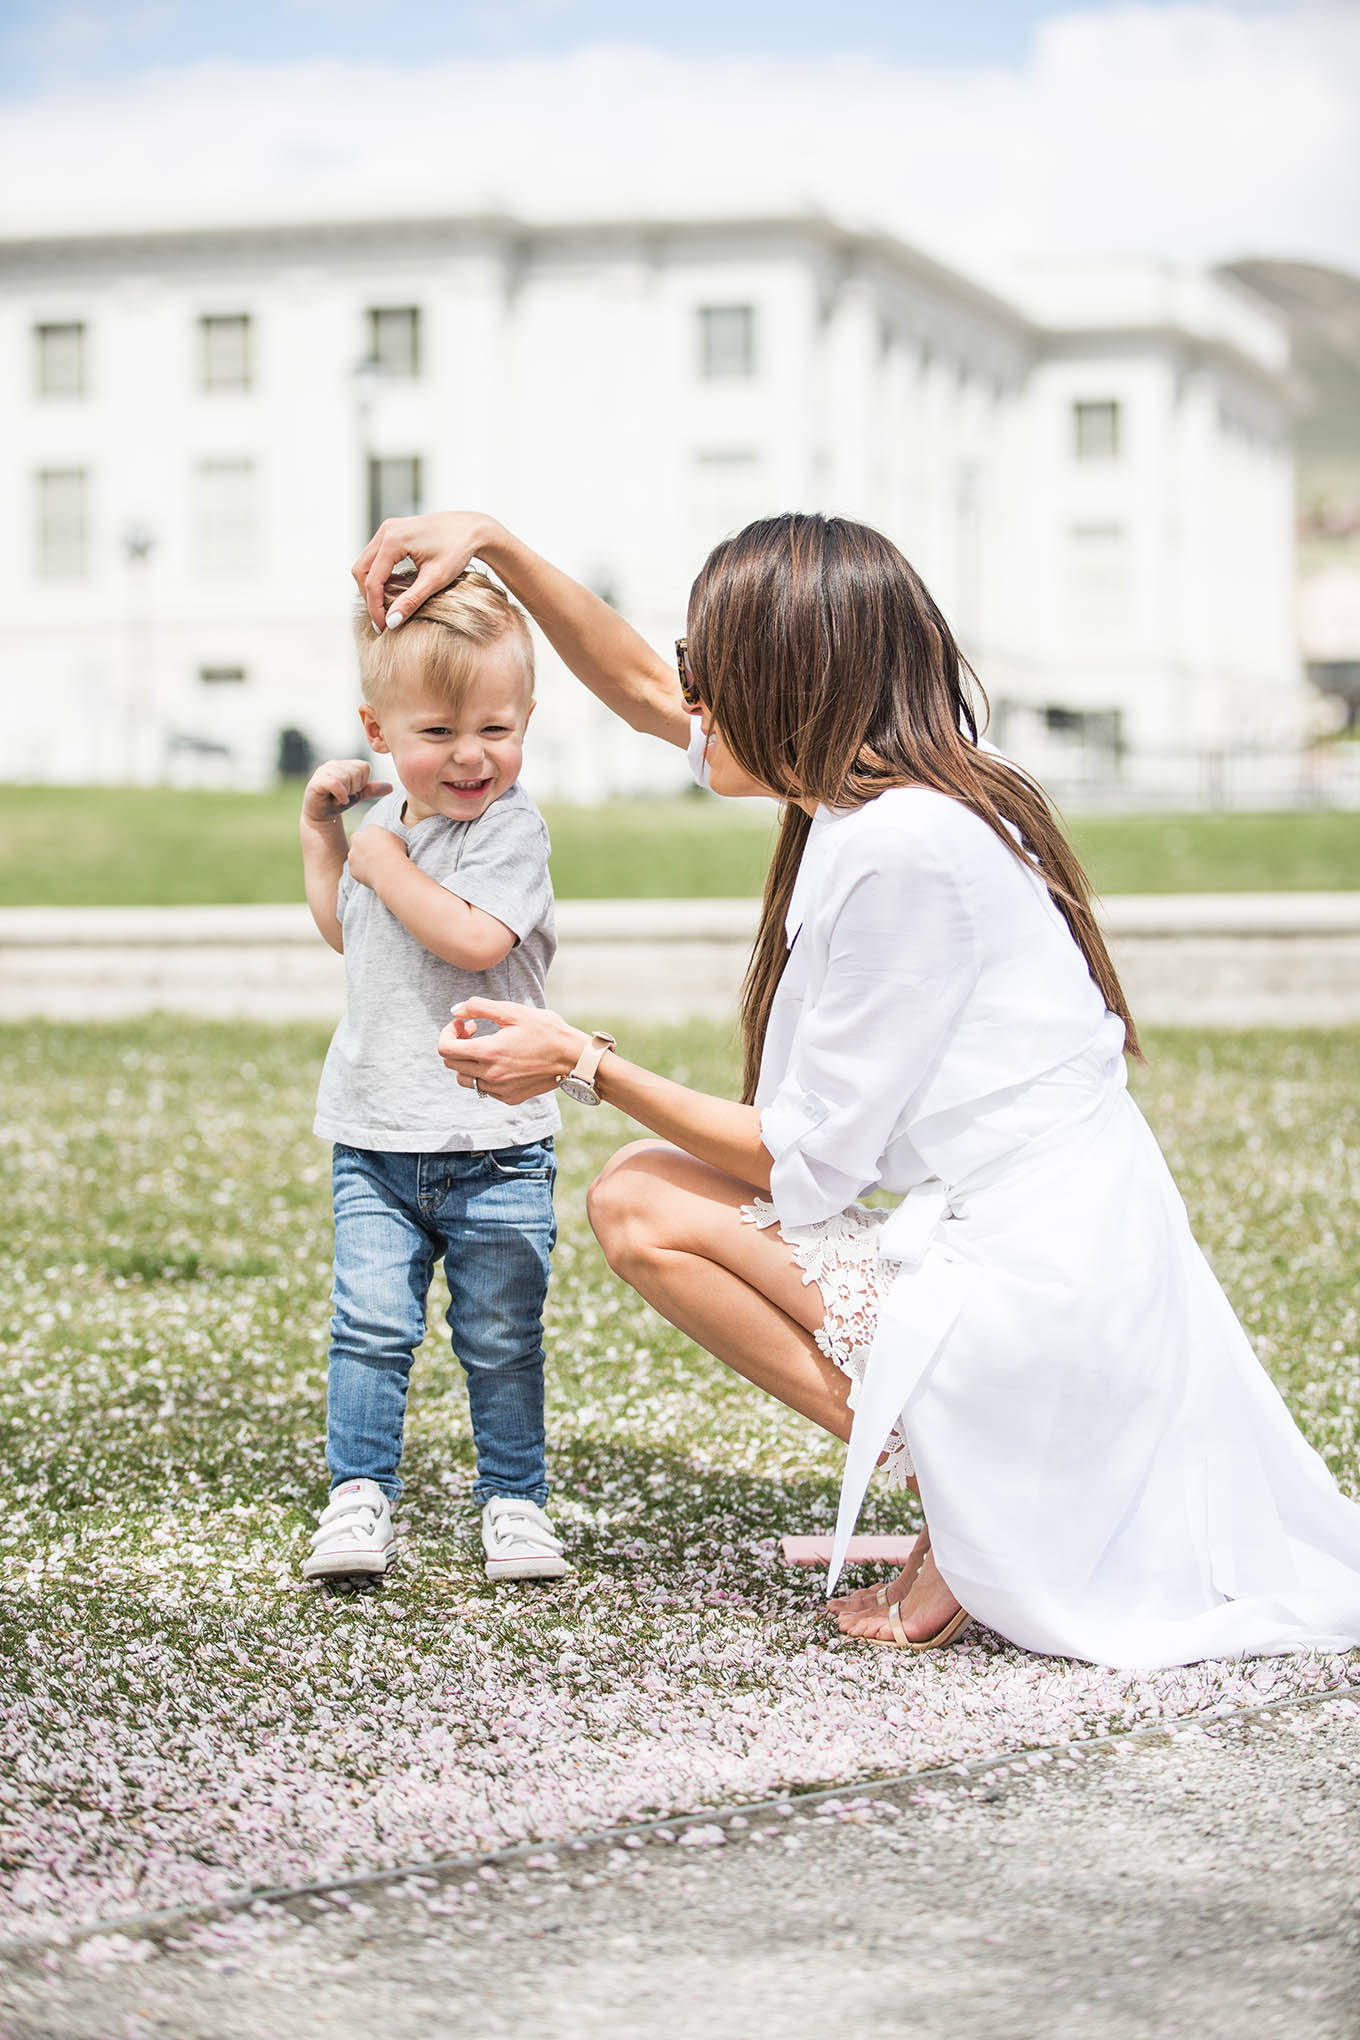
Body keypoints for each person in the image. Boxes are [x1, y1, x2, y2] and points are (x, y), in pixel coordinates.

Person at [352, 510, 1360, 1668]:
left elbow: (805, 1165)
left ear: (785, 685)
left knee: (639, 1200)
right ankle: (972, 1481)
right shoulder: (887, 787)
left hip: (1050, 1295)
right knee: (641, 1192)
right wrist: (496, 546)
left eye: (704, 668)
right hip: (1069, 1264)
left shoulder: (903, 847)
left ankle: (980, 1501)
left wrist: (583, 1063)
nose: (685, 695)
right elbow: (634, 686)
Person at [298, 573, 570, 1586]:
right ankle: (358, 1493)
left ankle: (514, 1500)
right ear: (378, 730)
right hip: (376, 1139)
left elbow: (471, 939)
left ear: (527, 719)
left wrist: (382, 862)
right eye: (437, 731)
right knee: (369, 1330)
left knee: (499, 1337)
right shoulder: (386, 837)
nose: (469, 755)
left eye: (496, 728)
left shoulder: (509, 831)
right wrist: (326, 839)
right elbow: (348, 931)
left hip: (496, 1148)